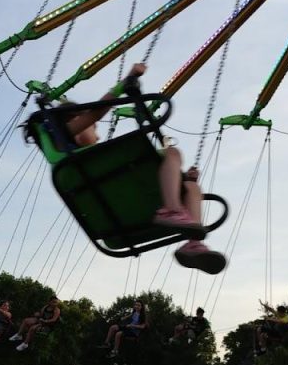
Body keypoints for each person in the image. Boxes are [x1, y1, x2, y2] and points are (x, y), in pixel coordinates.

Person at [62, 63, 226, 275]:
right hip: (122, 195)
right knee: (172, 153)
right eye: (94, 128)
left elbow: (93, 115)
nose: (98, 134)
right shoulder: (67, 136)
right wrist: (126, 81)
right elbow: (96, 113)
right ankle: (172, 209)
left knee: (192, 188)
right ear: (75, 118)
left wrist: (185, 179)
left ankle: (192, 243)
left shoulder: (85, 164)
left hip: (126, 204)